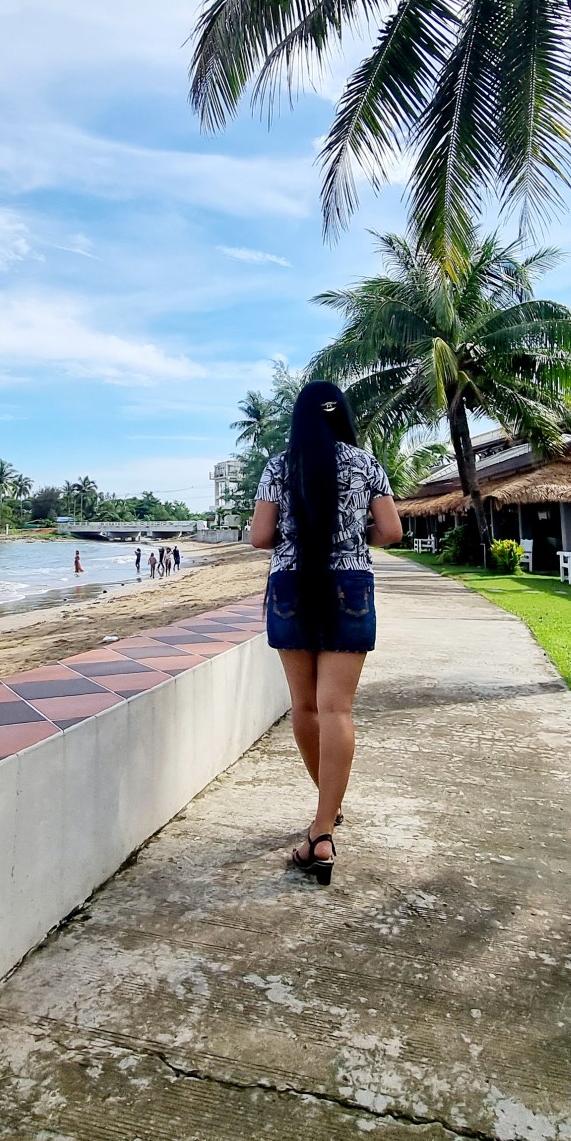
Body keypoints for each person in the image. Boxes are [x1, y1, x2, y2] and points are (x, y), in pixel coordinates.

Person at [250, 380, 401, 886]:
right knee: (337, 709)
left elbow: (260, 537)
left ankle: (323, 822)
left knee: (306, 708)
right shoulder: (365, 463)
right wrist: (356, 538)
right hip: (349, 583)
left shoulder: (278, 464)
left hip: (291, 583)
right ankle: (323, 821)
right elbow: (392, 532)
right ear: (342, 415)